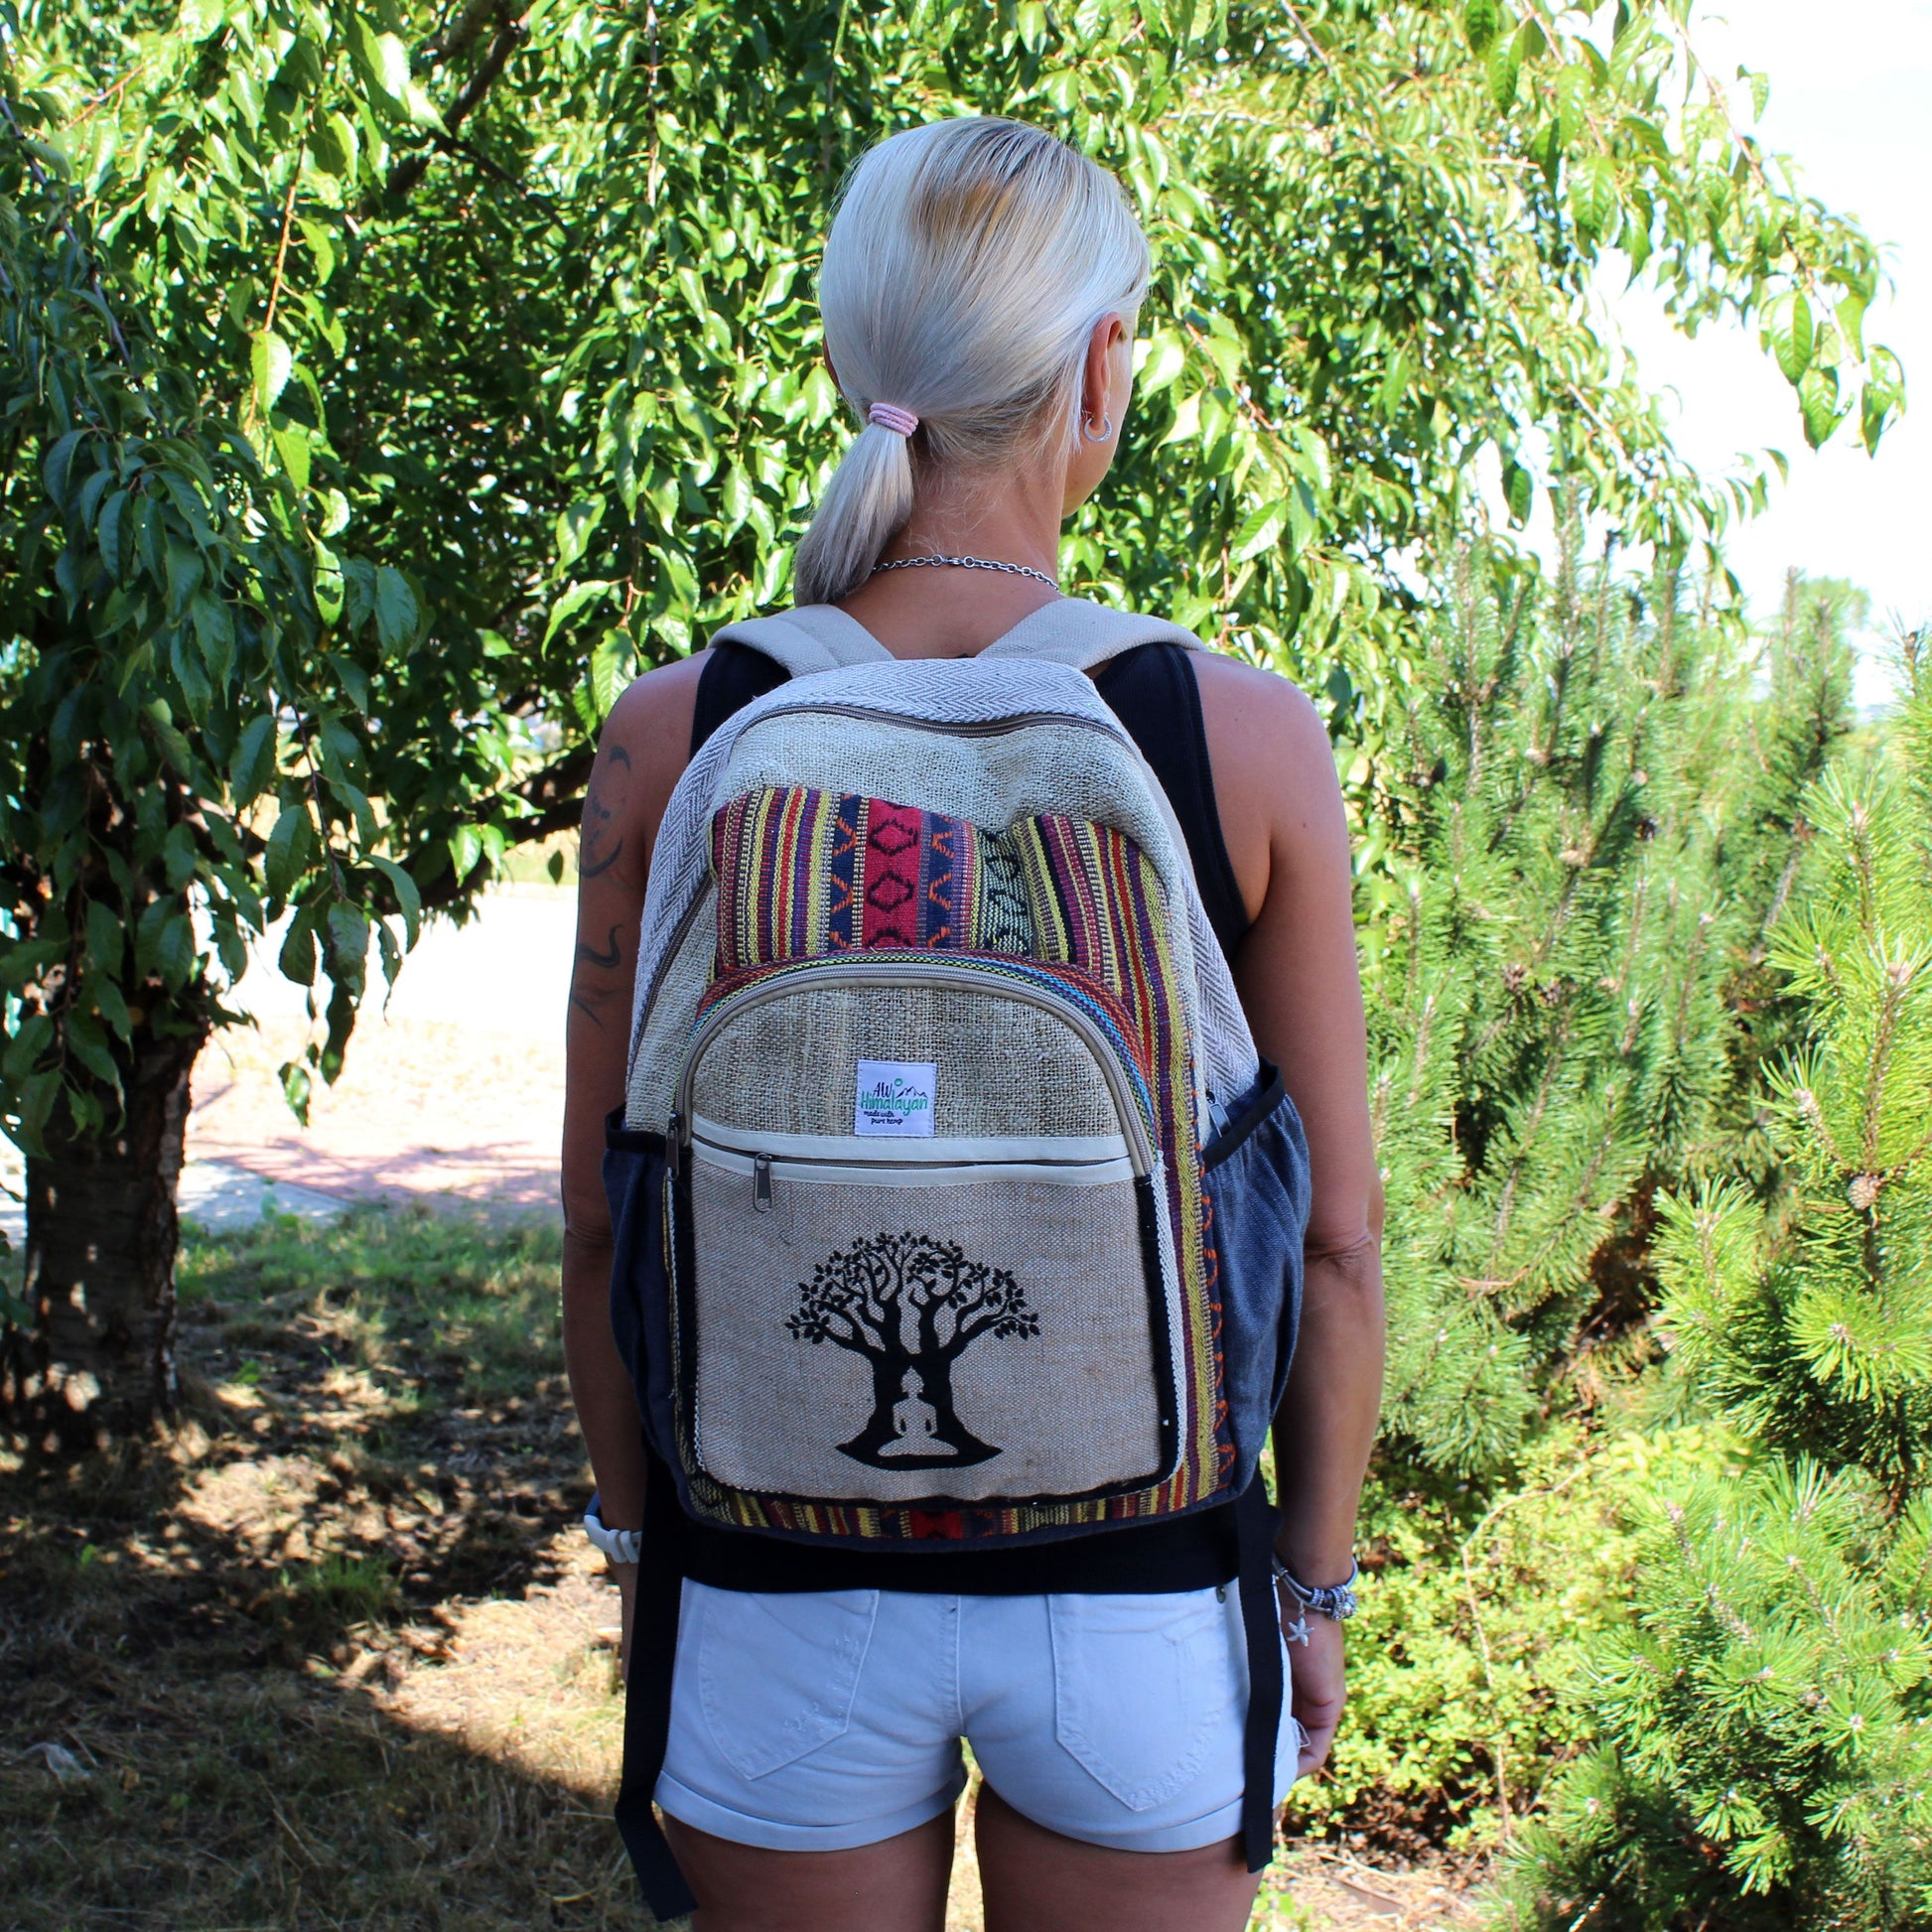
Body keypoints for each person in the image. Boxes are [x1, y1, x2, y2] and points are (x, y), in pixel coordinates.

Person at [560, 115, 1384, 1932]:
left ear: (857, 364)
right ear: (1100, 369)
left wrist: (639, 1546)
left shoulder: (675, 729)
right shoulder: (1238, 739)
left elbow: (604, 1215)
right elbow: (1332, 1241)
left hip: (767, 1585)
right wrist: (1310, 1592)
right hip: (1144, 1598)